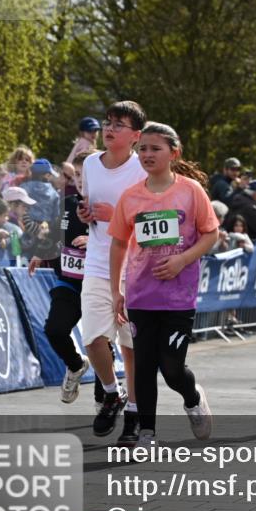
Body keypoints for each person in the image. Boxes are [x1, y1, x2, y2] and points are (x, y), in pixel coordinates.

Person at [108, 122, 218, 450]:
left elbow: (211, 234)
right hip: (141, 295)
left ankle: (192, 397)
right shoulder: (130, 196)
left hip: (178, 297)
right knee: (143, 366)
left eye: (155, 148)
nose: (147, 154)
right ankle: (147, 433)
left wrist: (182, 260)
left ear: (174, 153)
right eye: (142, 148)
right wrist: (116, 291)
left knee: (171, 368)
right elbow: (118, 243)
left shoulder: (190, 191)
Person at [77, 100, 147, 442]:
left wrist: (115, 214)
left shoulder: (143, 168)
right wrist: (86, 214)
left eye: (119, 124)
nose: (109, 129)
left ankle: (134, 412)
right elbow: (92, 209)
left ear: (135, 135)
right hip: (97, 262)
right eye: (108, 122)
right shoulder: (90, 163)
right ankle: (111, 393)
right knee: (92, 339)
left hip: (135, 268)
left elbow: (151, 220)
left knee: (130, 347)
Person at [29, 150, 103, 410]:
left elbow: (122, 237)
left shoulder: (110, 204)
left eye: (87, 175)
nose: (81, 180)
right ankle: (75, 365)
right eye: (78, 175)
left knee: (99, 342)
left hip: (100, 283)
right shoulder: (66, 204)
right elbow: (55, 236)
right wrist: (41, 253)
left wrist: (94, 242)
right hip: (70, 281)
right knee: (55, 330)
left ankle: (104, 399)